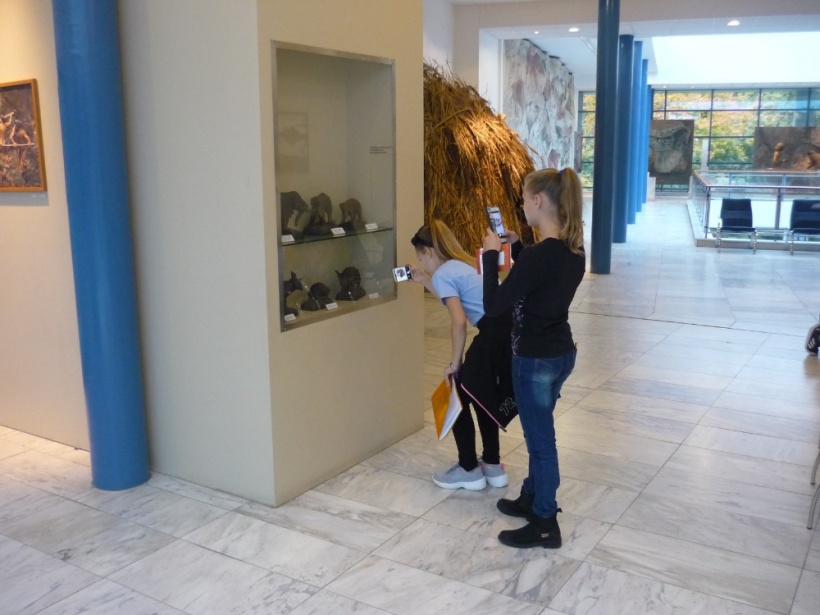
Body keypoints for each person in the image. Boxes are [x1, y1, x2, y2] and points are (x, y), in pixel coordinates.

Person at [481, 167, 585, 549]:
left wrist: (491, 256)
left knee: (541, 443)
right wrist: (519, 248)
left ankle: (544, 520)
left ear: (538, 201)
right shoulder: (574, 251)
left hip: (534, 361)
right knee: (539, 434)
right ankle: (530, 495)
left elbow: (493, 305)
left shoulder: (540, 257)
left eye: (524, 199)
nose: (522, 206)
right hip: (561, 355)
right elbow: (544, 277)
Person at [409, 220, 514, 491]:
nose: (422, 263)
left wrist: (454, 364)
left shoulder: (444, 273)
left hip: (492, 333)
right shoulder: (461, 265)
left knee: (455, 392)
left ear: (428, 252)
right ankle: (492, 465)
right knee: (481, 395)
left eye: (420, 258)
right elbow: (452, 298)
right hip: (508, 332)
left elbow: (458, 321)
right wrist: (423, 279)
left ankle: (468, 469)